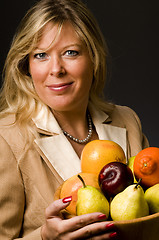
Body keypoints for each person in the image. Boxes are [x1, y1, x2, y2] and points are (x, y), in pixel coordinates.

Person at [0, 0, 149, 239]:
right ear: (26, 66)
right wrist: (44, 237)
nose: (56, 69)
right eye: (41, 55)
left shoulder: (127, 120)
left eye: (70, 52)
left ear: (93, 57)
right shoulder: (5, 137)